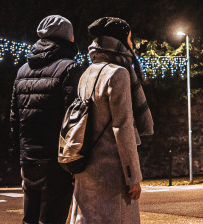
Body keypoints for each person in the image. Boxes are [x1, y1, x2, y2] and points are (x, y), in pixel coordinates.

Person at [69, 16, 154, 224]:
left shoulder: (87, 73)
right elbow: (122, 127)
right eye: (129, 39)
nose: (132, 45)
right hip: (111, 175)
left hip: (86, 168)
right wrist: (133, 176)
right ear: (120, 41)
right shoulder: (119, 74)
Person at [10, 14, 84, 224]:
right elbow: (74, 118)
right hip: (56, 161)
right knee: (52, 219)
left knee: (29, 219)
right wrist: (75, 161)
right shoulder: (70, 68)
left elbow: (14, 118)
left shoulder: (22, 71)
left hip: (29, 158)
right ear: (67, 38)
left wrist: (21, 151)